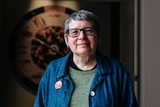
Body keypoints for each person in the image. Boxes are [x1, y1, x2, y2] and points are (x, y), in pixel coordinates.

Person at [34, 9, 138, 107]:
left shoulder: (116, 70)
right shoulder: (53, 70)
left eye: (88, 31)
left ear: (98, 37)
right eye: (75, 32)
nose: (82, 37)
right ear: (66, 39)